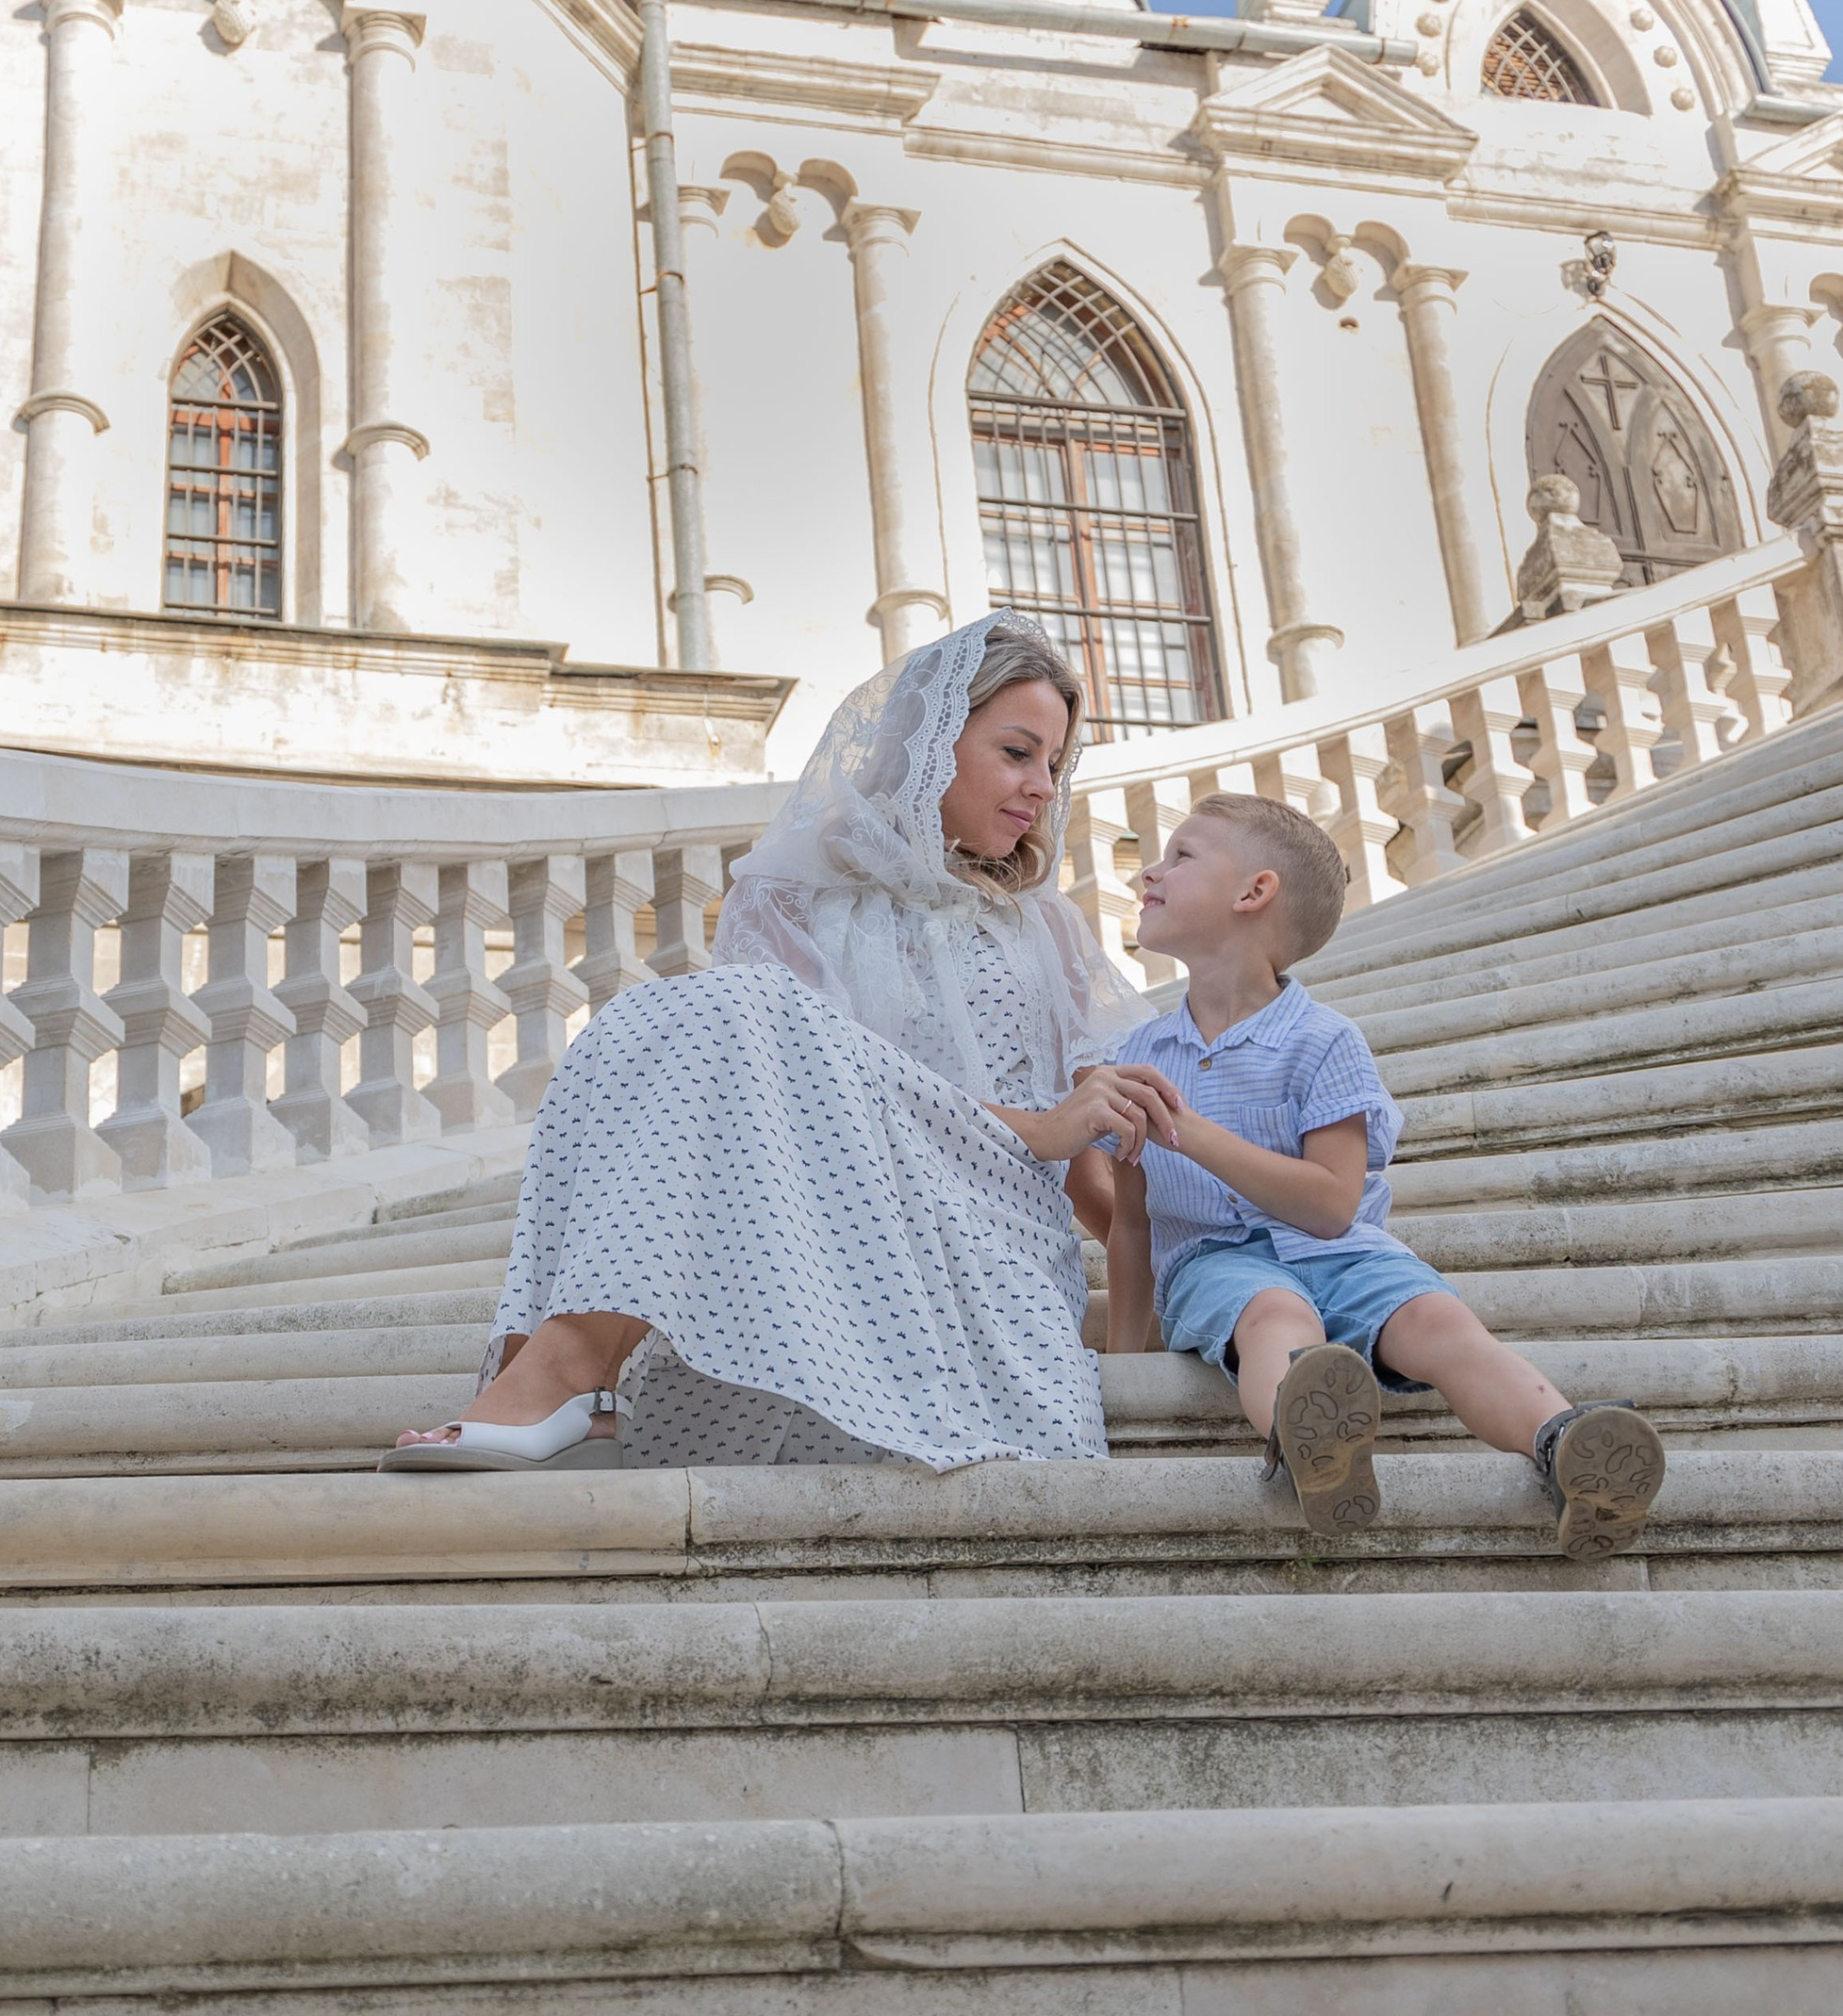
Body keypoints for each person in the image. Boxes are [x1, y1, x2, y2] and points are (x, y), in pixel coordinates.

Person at [389, 615, 1177, 1475]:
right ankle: (562, 1370)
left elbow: (1101, 1180)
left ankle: (568, 1374)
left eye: (1056, 767)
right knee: (650, 1019)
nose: (1042, 789)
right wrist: (1044, 1127)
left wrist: (1216, 1283)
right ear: (926, 743)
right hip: (828, 1230)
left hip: (983, 1253)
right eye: (1018, 753)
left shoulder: (1046, 930)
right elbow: (778, 1111)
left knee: (739, 1005)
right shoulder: (791, 898)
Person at [1103, 792, 1667, 1557]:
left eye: (1182, 856)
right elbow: (1132, 1224)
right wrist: (1125, 1371)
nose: (1150, 874)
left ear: (1253, 892)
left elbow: (1333, 1207)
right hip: (1217, 1262)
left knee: (1440, 1324)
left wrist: (1193, 1134)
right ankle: (1311, 1444)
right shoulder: (1137, 1058)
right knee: (1274, 1317)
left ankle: (1565, 1443)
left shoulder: (1325, 1042)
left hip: (1347, 1252)